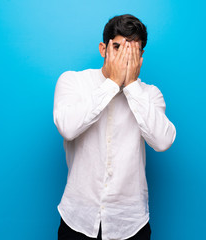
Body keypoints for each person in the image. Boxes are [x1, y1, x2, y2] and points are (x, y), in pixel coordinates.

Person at [53, 14, 176, 240]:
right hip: (78, 218)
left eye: (133, 50)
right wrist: (111, 84)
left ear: (141, 56)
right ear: (103, 49)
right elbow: (68, 128)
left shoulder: (150, 94)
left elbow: (162, 141)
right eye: (118, 47)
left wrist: (130, 86)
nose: (125, 56)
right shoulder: (72, 82)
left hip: (130, 223)